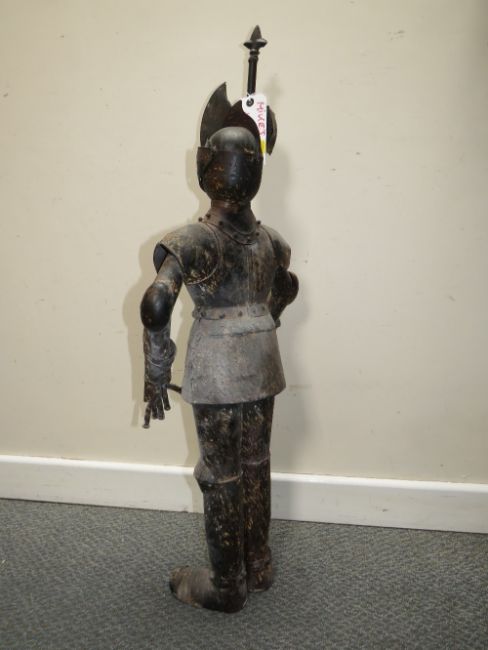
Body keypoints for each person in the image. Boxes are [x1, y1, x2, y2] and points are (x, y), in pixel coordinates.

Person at [140, 83, 298, 613]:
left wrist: (156, 368)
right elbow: (286, 287)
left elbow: (156, 304)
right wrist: (267, 320)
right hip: (263, 360)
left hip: (216, 365)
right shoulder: (271, 240)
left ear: (207, 168)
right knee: (256, 461)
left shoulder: (195, 239)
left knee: (220, 473)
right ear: (255, 173)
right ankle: (259, 564)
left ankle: (227, 585)